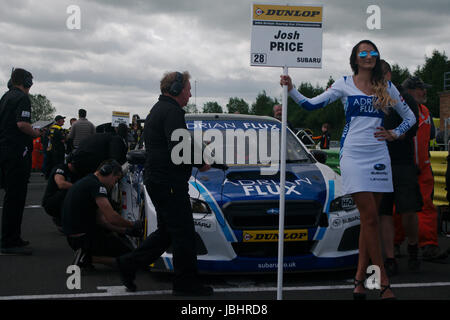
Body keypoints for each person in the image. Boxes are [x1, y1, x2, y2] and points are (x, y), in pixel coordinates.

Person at [280, 40, 416, 300]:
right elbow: (311, 105)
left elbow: (410, 117)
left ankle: (358, 281)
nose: (368, 56)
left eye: (372, 52)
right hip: (353, 155)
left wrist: (395, 133)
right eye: (362, 53)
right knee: (371, 218)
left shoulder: (386, 86)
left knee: (369, 221)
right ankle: (382, 281)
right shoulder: (343, 83)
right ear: (355, 58)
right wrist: (292, 89)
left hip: (379, 155)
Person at [116, 71, 213, 296]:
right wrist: (201, 163)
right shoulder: (171, 112)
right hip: (169, 182)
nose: (189, 94)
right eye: (188, 89)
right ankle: (185, 284)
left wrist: (197, 153)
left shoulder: (160, 109)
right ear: (177, 89)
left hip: (160, 181)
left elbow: (180, 141)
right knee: (184, 234)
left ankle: (128, 264)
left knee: (168, 232)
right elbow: (178, 145)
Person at [394, 76, 447, 260]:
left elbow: (432, 135)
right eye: (420, 89)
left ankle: (429, 245)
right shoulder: (397, 109)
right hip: (403, 167)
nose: (424, 92)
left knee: (427, 208)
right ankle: (394, 243)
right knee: (399, 208)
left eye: (424, 89)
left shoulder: (426, 111)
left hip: (423, 168)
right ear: (408, 91)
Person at [378, 60, 422, 276]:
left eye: (382, 74)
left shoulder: (404, 97)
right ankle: (390, 257)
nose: (379, 78)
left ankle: (413, 247)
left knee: (408, 211)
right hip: (378, 162)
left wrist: (394, 134)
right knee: (384, 212)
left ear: (390, 74)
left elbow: (411, 127)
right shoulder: (370, 95)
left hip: (402, 161)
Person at [62, 159, 140, 268]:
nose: (114, 184)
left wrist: (125, 231)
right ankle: (87, 258)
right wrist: (133, 225)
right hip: (83, 239)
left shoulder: (88, 181)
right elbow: (111, 217)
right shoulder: (98, 187)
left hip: (74, 238)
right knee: (131, 257)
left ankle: (86, 256)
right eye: (116, 180)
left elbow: (101, 221)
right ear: (108, 173)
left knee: (120, 244)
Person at [0, 68, 42, 255]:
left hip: (5, 150)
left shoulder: (6, 97)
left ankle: (12, 237)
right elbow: (22, 124)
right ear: (25, 82)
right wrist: (36, 133)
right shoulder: (22, 98)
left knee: (11, 196)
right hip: (17, 152)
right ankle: (9, 241)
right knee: (16, 197)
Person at [42, 153, 80, 230]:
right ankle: (59, 218)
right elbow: (61, 184)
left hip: (59, 200)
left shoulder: (77, 171)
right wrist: (79, 187)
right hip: (51, 202)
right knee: (69, 192)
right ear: (70, 163)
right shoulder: (61, 168)